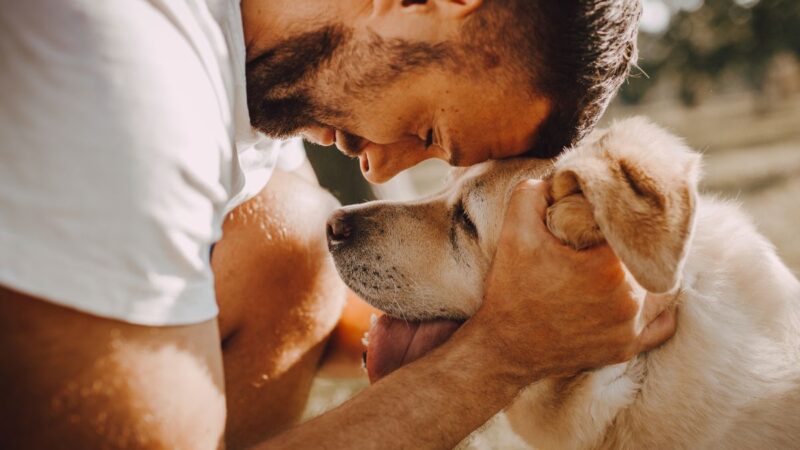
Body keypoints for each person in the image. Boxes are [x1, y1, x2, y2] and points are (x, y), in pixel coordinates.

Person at [0, 0, 675, 449]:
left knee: (290, 241)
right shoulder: (124, 69)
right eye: (427, 128)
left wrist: (531, 301)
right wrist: (505, 353)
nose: (379, 171)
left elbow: (300, 296)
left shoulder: (244, 69)